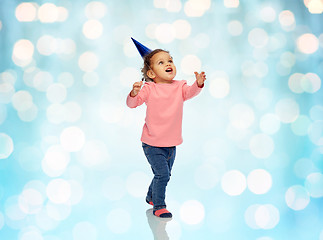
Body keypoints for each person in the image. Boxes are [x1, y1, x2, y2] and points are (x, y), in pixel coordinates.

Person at [126, 39, 206, 218]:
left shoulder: (179, 87)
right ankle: (159, 206)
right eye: (161, 62)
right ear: (151, 73)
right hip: (152, 143)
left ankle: (151, 196)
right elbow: (132, 104)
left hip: (171, 143)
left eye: (170, 60)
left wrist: (198, 84)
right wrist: (133, 93)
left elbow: (190, 93)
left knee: (163, 174)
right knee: (162, 175)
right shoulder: (149, 89)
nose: (168, 64)